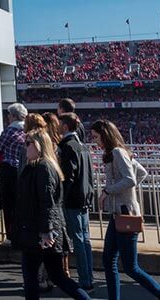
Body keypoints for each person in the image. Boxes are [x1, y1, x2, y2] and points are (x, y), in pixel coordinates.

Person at [91, 120, 160, 300]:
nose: (96, 141)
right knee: (109, 259)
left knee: (130, 267)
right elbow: (141, 173)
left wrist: (108, 191)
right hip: (120, 213)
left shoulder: (117, 153)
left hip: (124, 213)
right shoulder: (120, 152)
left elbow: (131, 180)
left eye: (97, 137)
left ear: (105, 135)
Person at [14, 128, 91, 300]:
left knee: (33, 278)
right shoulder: (40, 167)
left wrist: (46, 230)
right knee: (56, 276)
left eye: (28, 144)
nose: (25, 147)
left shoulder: (43, 167)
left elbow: (47, 200)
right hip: (40, 229)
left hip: (40, 231)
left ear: (39, 146)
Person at [56, 113, 95, 292]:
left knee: (78, 240)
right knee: (84, 239)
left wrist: (61, 195)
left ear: (65, 126)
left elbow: (68, 176)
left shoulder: (68, 146)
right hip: (85, 197)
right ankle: (89, 278)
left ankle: (85, 280)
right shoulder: (83, 146)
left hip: (73, 199)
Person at [0, 103, 27, 243]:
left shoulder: (9, 131)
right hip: (24, 171)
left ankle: (11, 235)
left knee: (9, 205)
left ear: (13, 116)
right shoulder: (28, 130)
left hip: (9, 171)